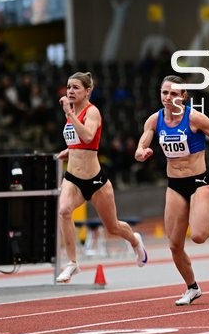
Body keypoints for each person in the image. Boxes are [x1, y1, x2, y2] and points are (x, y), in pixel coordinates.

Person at [134, 75, 209, 306]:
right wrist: (141, 153)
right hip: (175, 185)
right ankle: (192, 287)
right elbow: (142, 145)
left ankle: (208, 217)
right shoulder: (154, 120)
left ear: (183, 97)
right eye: (164, 93)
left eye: (173, 94)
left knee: (199, 236)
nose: (168, 98)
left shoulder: (195, 118)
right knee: (174, 244)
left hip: (199, 181)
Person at [55, 72, 148, 283]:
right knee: (63, 211)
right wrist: (69, 151)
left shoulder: (92, 112)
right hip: (73, 178)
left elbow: (88, 136)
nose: (70, 91)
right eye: (69, 87)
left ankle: (134, 240)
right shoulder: (71, 112)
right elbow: (80, 141)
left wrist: (69, 114)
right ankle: (72, 263)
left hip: (95, 181)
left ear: (88, 91)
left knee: (113, 227)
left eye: (76, 87)